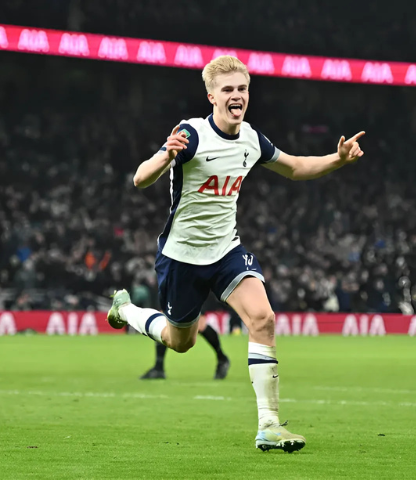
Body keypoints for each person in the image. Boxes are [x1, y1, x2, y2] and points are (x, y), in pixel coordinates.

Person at [107, 56, 365, 452]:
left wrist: (338, 159)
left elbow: (295, 167)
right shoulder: (191, 134)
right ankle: (126, 312)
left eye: (242, 89)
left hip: (227, 250)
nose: (236, 96)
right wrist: (166, 155)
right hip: (182, 257)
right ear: (211, 96)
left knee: (262, 318)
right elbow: (141, 179)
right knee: (181, 342)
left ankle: (269, 424)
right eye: (227, 89)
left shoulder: (251, 139)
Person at [140, 311, 230, 380]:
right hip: (172, 288)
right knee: (163, 319)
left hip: (195, 289)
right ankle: (158, 368)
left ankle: (222, 358)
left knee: (200, 323)